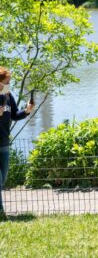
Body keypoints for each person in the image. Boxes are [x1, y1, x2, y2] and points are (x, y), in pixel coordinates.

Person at [0, 67, 35, 217]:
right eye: (7, 81)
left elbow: (14, 115)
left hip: (4, 144)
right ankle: (1, 212)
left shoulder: (7, 96)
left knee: (3, 179)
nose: (9, 83)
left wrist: (26, 111)